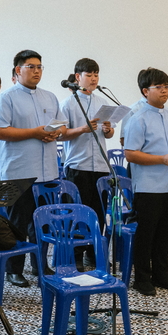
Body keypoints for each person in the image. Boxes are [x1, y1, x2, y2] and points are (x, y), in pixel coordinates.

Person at [0, 49, 65, 287]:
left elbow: (62, 126)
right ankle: (14, 270)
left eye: (39, 67)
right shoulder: (6, 98)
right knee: (17, 224)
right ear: (18, 70)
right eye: (31, 67)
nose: (36, 71)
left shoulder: (50, 97)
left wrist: (55, 134)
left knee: (42, 223)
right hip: (19, 172)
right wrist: (35, 133)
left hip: (47, 172)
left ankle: (40, 264)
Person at [123, 68, 168, 296]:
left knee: (164, 234)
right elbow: (130, 154)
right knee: (146, 235)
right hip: (149, 187)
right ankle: (142, 278)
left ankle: (162, 275)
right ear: (145, 91)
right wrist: (161, 159)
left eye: (167, 86)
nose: (164, 91)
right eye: (158, 87)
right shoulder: (138, 118)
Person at [60, 58, 114, 267]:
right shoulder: (68, 103)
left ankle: (93, 253)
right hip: (78, 166)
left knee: (98, 213)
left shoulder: (102, 103)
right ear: (77, 77)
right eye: (89, 75)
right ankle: (75, 256)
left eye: (96, 74)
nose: (93, 79)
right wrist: (82, 129)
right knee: (77, 214)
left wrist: (108, 130)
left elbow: (108, 134)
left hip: (100, 166)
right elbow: (61, 134)